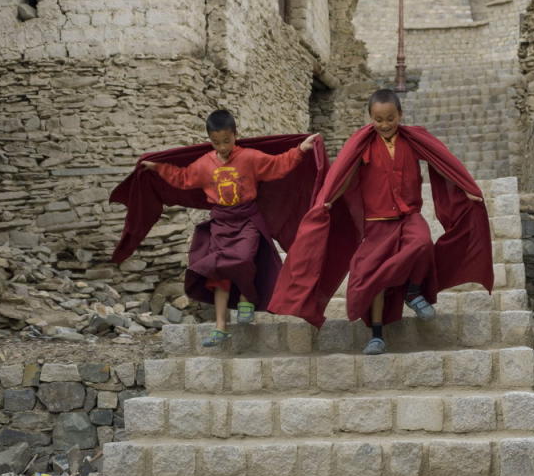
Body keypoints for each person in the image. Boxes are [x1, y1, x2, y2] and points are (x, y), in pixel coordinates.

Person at [268, 89, 493, 354]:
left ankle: (412, 291)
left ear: (400, 115)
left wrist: (466, 187)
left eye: (390, 118)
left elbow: (442, 160)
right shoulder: (363, 144)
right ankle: (376, 335)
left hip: (409, 216)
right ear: (370, 118)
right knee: (372, 277)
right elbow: (344, 175)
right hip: (376, 224)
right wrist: (327, 200)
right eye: (379, 119)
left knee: (421, 243)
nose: (385, 125)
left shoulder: (413, 141)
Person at [110, 110, 324, 346]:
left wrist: (300, 150)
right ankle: (220, 327)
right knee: (218, 272)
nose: (222, 147)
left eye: (227, 141)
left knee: (243, 261)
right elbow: (183, 178)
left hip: (247, 221)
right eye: (216, 142)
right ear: (209, 140)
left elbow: (277, 165)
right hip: (221, 223)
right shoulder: (204, 164)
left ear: (235, 135)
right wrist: (158, 168)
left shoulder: (250, 157)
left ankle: (247, 298)